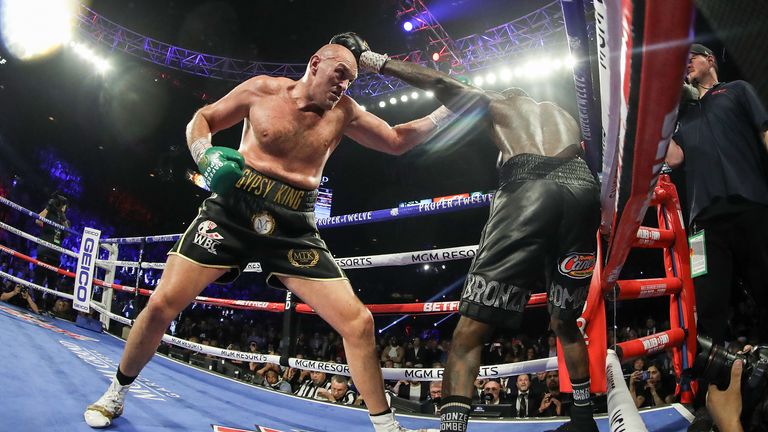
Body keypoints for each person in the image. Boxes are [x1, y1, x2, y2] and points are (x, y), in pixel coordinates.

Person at [83, 33, 446, 432]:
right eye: (339, 73)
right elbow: (202, 119)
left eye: (351, 80)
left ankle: (387, 428)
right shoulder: (260, 91)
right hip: (233, 210)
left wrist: (448, 110)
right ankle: (115, 391)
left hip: (294, 226)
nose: (343, 85)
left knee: (358, 323)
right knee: (161, 303)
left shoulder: (346, 111)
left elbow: (396, 141)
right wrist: (203, 154)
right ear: (315, 64)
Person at [359, 43, 600, 431]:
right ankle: (584, 419)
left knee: (468, 333)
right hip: (583, 188)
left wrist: (379, 62)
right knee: (566, 321)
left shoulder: (496, 102)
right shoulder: (559, 113)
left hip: (529, 187)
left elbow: (440, 82)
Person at [665, 43, 768, 346]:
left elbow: (764, 130)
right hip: (705, 221)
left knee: (766, 289)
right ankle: (717, 381)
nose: (684, 64)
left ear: (709, 59)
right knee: (709, 304)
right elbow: (674, 159)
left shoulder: (737, 90)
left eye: (691, 58)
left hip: (749, 204)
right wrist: (656, 119)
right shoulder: (681, 114)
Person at [34, 191, 69, 311]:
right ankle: (38, 306)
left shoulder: (65, 221)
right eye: (60, 204)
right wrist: (48, 207)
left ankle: (48, 308)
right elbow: (38, 220)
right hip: (44, 252)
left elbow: (68, 233)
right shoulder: (49, 214)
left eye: (63, 205)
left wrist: (63, 216)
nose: (61, 206)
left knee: (52, 284)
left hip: (55, 256)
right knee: (38, 282)